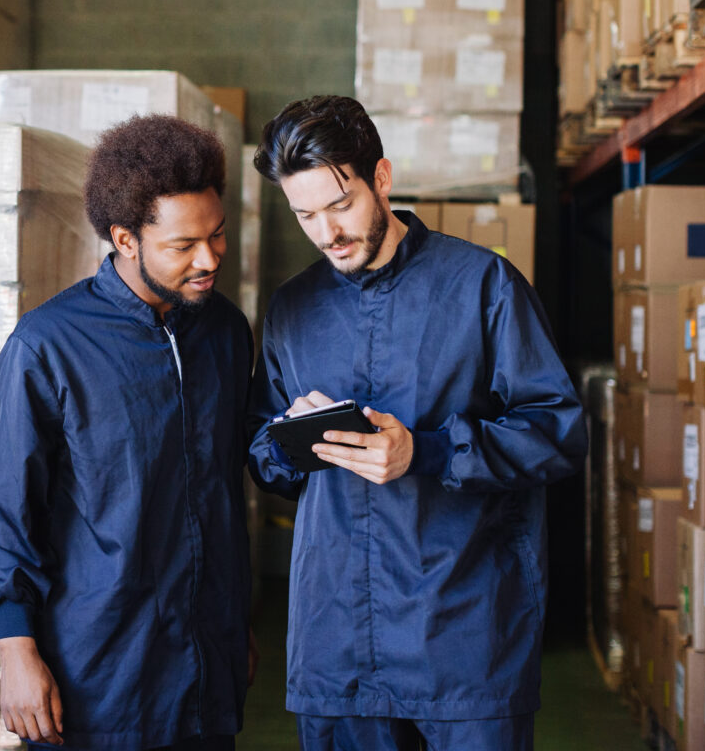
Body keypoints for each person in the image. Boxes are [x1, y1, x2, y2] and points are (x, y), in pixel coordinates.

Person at [246, 95, 586, 751]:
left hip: (464, 641)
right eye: (306, 215)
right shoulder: (292, 308)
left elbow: (557, 432)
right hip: (337, 647)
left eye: (340, 206)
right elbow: (264, 455)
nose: (327, 232)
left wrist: (426, 452)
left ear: (381, 178)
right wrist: (289, 441)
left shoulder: (484, 285)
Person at [0, 114, 255, 751]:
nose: (209, 259)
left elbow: (220, 495)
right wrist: (15, 651)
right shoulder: (48, 346)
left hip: (207, 672)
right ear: (126, 239)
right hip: (100, 676)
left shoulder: (225, 332)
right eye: (183, 246)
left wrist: (233, 622)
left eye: (217, 234)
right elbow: (11, 512)